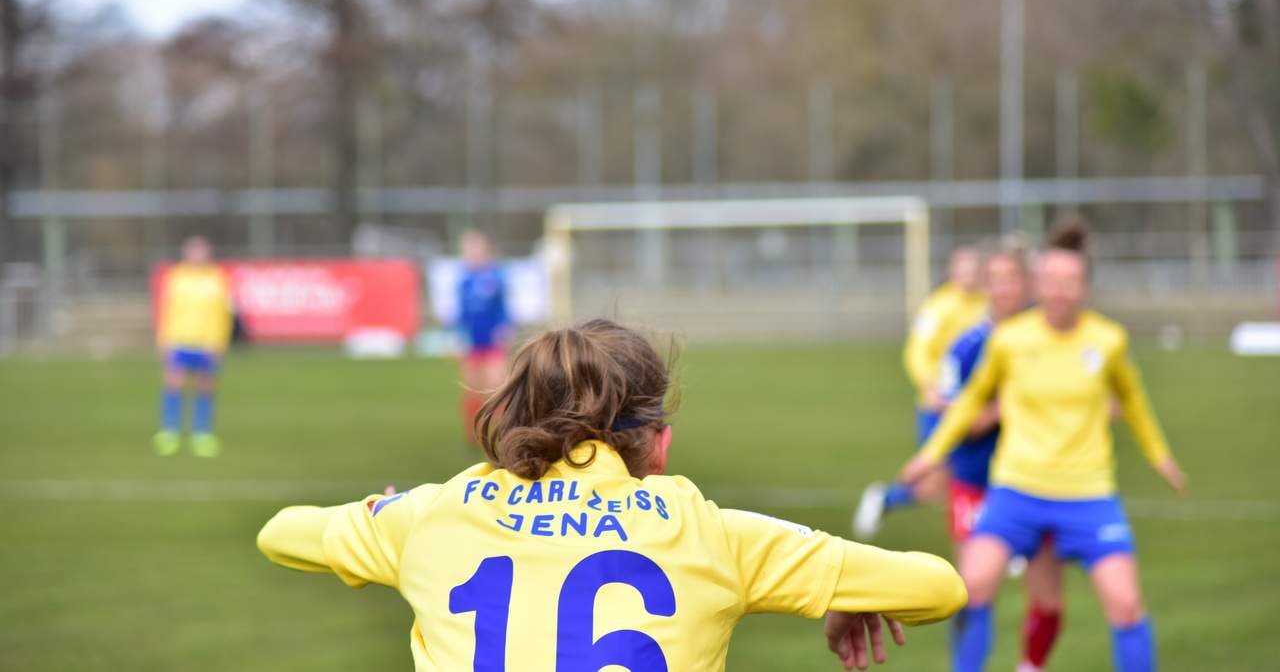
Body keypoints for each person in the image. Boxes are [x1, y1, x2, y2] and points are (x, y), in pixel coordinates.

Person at [258, 319, 968, 671]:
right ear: (656, 442)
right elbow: (938, 587)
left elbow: (282, 533)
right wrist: (839, 590)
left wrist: (395, 510)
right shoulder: (711, 531)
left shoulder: (436, 514)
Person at [902, 221, 1187, 672]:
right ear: (1040, 285)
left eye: (1070, 283)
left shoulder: (1108, 341)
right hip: (1017, 489)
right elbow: (971, 399)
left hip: (1088, 493)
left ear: (1085, 288)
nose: (1059, 292)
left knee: (1126, 604)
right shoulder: (1010, 341)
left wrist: (1160, 456)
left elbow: (1133, 399)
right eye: (1052, 282)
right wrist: (930, 454)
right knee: (970, 585)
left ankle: (1031, 663)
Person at [938, 236, 1065, 672]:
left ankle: (1030, 665)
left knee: (1048, 599)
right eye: (995, 279)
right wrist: (1002, 407)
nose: (1004, 288)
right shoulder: (967, 345)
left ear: (1028, 284)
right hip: (975, 484)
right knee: (971, 593)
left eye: (1012, 278)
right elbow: (954, 419)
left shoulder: (1048, 338)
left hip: (1036, 483)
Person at [855, 245, 986, 538]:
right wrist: (930, 387)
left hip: (974, 405)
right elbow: (916, 351)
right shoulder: (938, 307)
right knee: (935, 482)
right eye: (963, 269)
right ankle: (885, 498)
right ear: (952, 272)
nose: (969, 276)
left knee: (979, 470)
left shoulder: (986, 306)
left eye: (974, 269)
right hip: (939, 407)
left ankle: (996, 538)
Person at [153, 235, 233, 458]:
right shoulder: (176, 277)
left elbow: (222, 312)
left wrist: (219, 341)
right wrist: (162, 339)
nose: (197, 255)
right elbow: (166, 308)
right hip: (179, 340)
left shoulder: (217, 278)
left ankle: (201, 434)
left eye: (201, 251)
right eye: (193, 250)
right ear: (186, 253)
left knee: (204, 387)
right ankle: (169, 433)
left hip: (206, 343)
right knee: (173, 384)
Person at [454, 230, 513, 445]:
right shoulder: (464, 280)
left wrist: (505, 329)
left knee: (496, 386)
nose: (470, 252)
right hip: (471, 343)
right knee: (471, 389)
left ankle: (502, 431)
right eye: (467, 248)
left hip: (492, 342)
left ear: (484, 249)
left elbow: (503, 308)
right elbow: (461, 314)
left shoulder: (496, 276)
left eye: (474, 247)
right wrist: (459, 337)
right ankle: (475, 434)